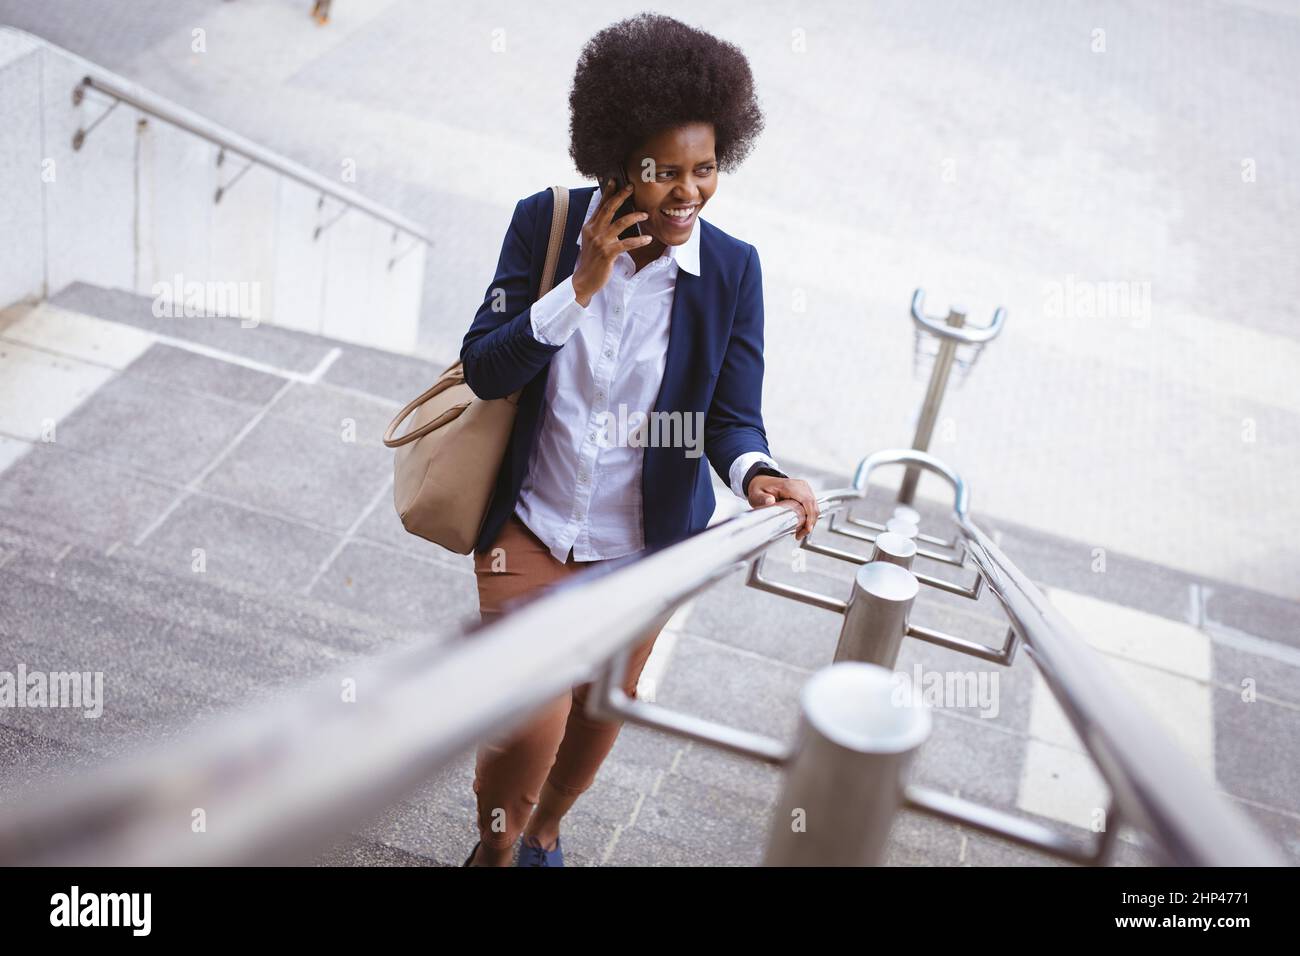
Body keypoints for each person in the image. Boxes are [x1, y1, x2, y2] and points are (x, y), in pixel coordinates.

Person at [458, 12, 820, 867]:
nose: (688, 192)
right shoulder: (543, 227)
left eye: (707, 169)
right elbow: (484, 369)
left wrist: (756, 472)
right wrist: (577, 289)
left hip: (646, 547)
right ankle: (497, 850)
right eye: (665, 173)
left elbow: (731, 414)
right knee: (528, 716)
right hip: (531, 528)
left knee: (597, 710)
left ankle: (543, 834)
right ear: (618, 160)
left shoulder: (731, 271)